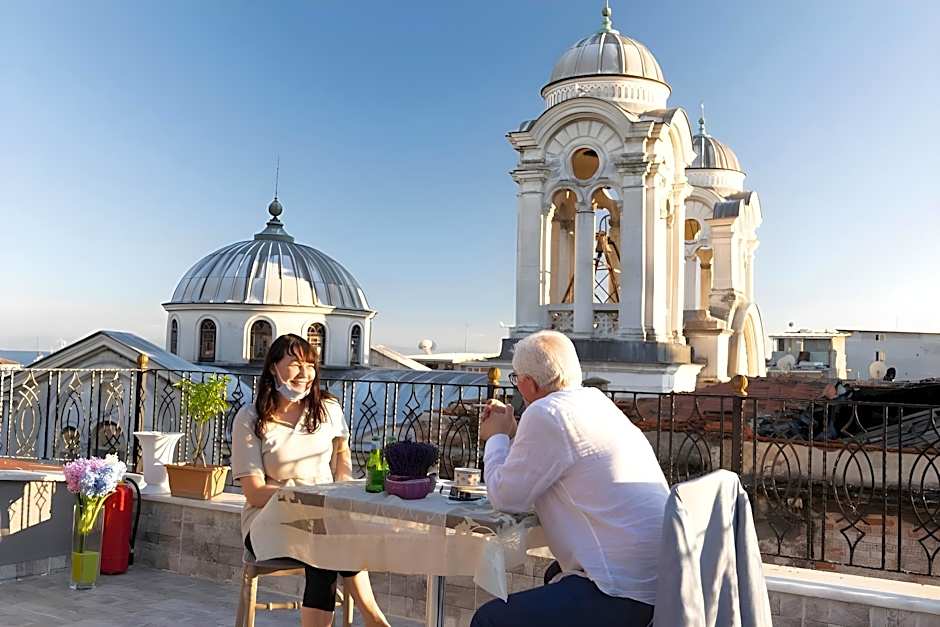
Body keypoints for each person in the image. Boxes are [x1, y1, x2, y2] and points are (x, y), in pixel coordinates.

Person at [471, 330, 669, 627]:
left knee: (489, 620)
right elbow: (562, 454)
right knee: (553, 575)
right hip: (662, 583)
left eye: (515, 379)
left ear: (529, 383)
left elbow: (504, 497)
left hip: (621, 592)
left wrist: (496, 437)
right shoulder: (594, 401)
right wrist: (514, 431)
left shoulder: (546, 413)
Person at [231, 333, 390, 627]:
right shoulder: (250, 418)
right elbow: (254, 493)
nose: (305, 374)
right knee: (326, 543)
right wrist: (307, 497)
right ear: (273, 367)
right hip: (267, 521)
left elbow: (342, 456)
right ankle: (374, 620)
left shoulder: (328, 409)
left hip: (323, 515)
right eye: (295, 364)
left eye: (311, 365)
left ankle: (373, 619)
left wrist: (341, 487)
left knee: (327, 545)